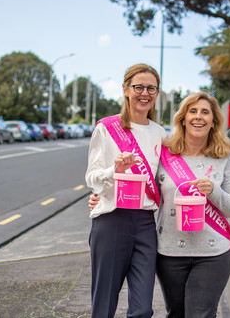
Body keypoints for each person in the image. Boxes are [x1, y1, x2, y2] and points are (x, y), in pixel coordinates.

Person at [89, 92, 230, 318]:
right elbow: (141, 186)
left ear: (213, 121)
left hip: (212, 251)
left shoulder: (224, 157)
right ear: (182, 118)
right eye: (193, 111)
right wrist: (102, 195)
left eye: (205, 112)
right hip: (170, 253)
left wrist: (214, 192)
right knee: (176, 313)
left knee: (200, 314)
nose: (198, 117)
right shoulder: (165, 152)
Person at [85, 63, 166, 318]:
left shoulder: (160, 133)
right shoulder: (106, 128)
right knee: (104, 304)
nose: (145, 93)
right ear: (125, 90)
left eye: (151, 88)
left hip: (144, 223)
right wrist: (114, 169)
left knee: (143, 308)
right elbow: (92, 177)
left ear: (157, 92)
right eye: (138, 87)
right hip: (112, 219)